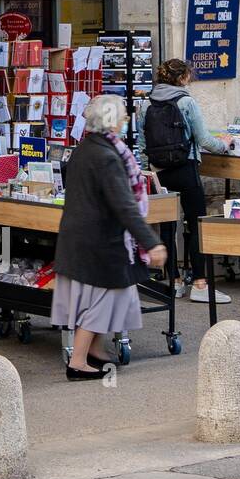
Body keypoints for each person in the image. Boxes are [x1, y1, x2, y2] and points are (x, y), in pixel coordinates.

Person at [54, 94, 168, 379]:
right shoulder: (107, 156)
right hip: (101, 240)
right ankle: (78, 361)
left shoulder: (85, 149)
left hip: (82, 236)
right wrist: (152, 242)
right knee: (107, 298)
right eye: (120, 116)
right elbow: (125, 206)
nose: (124, 120)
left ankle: (96, 351)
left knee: (100, 297)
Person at [145, 59, 232, 305]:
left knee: (168, 227)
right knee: (197, 224)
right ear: (182, 78)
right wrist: (225, 144)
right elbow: (204, 139)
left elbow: (142, 145)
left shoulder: (146, 104)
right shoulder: (187, 102)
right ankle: (201, 283)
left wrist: (151, 170)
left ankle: (174, 282)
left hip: (159, 172)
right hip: (186, 169)